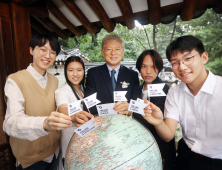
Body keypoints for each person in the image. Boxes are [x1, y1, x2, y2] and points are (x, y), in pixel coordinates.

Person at [143, 35, 222, 170]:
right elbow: (168, 135)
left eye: (188, 58)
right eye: (175, 62)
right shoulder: (174, 93)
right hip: (185, 158)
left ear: (204, 57)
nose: (182, 67)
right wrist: (159, 122)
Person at [3, 34, 72, 170]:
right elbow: (10, 123)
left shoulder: (54, 80)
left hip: (54, 152)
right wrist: (45, 123)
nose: (48, 55)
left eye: (52, 52)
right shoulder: (15, 80)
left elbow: (56, 109)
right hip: (31, 160)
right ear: (31, 50)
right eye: (42, 49)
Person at [134, 49, 176, 170]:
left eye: (153, 67)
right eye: (144, 66)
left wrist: (132, 110)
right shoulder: (137, 89)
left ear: (159, 68)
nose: (148, 71)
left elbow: (156, 117)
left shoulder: (164, 88)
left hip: (160, 146)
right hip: (142, 146)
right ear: (139, 68)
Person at [84, 34, 141, 115]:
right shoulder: (93, 73)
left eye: (117, 49)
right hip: (102, 123)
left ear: (122, 52)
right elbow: (89, 103)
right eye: (109, 49)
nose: (113, 53)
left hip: (126, 122)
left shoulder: (132, 75)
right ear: (103, 53)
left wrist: (130, 108)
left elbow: (138, 104)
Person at [55, 56, 93, 170]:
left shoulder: (84, 90)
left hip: (86, 140)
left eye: (79, 70)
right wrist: (75, 116)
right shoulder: (62, 91)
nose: (75, 74)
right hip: (70, 141)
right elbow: (63, 109)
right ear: (65, 71)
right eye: (71, 70)